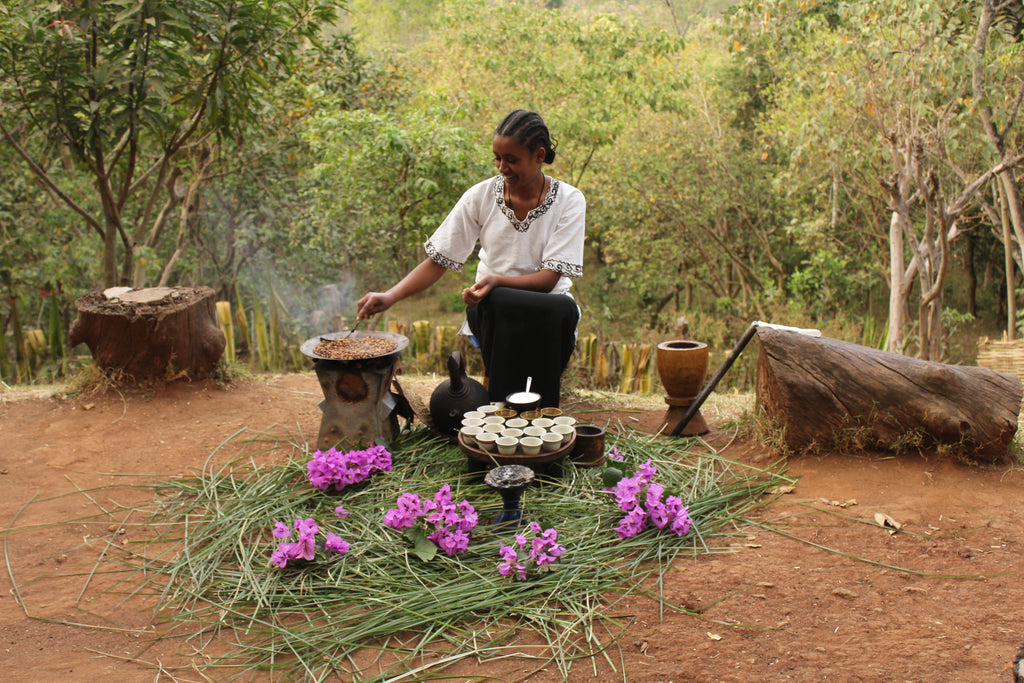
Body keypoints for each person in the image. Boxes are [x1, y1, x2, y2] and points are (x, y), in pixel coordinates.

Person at [356, 109, 586, 407]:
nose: (502, 167)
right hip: (491, 312)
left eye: (512, 159)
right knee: (498, 302)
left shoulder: (569, 200)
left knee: (537, 304)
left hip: (550, 311)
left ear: (539, 155)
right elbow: (440, 259)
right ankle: (508, 414)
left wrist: (495, 280)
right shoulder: (480, 196)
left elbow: (548, 281)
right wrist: (390, 296)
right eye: (497, 158)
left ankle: (529, 416)